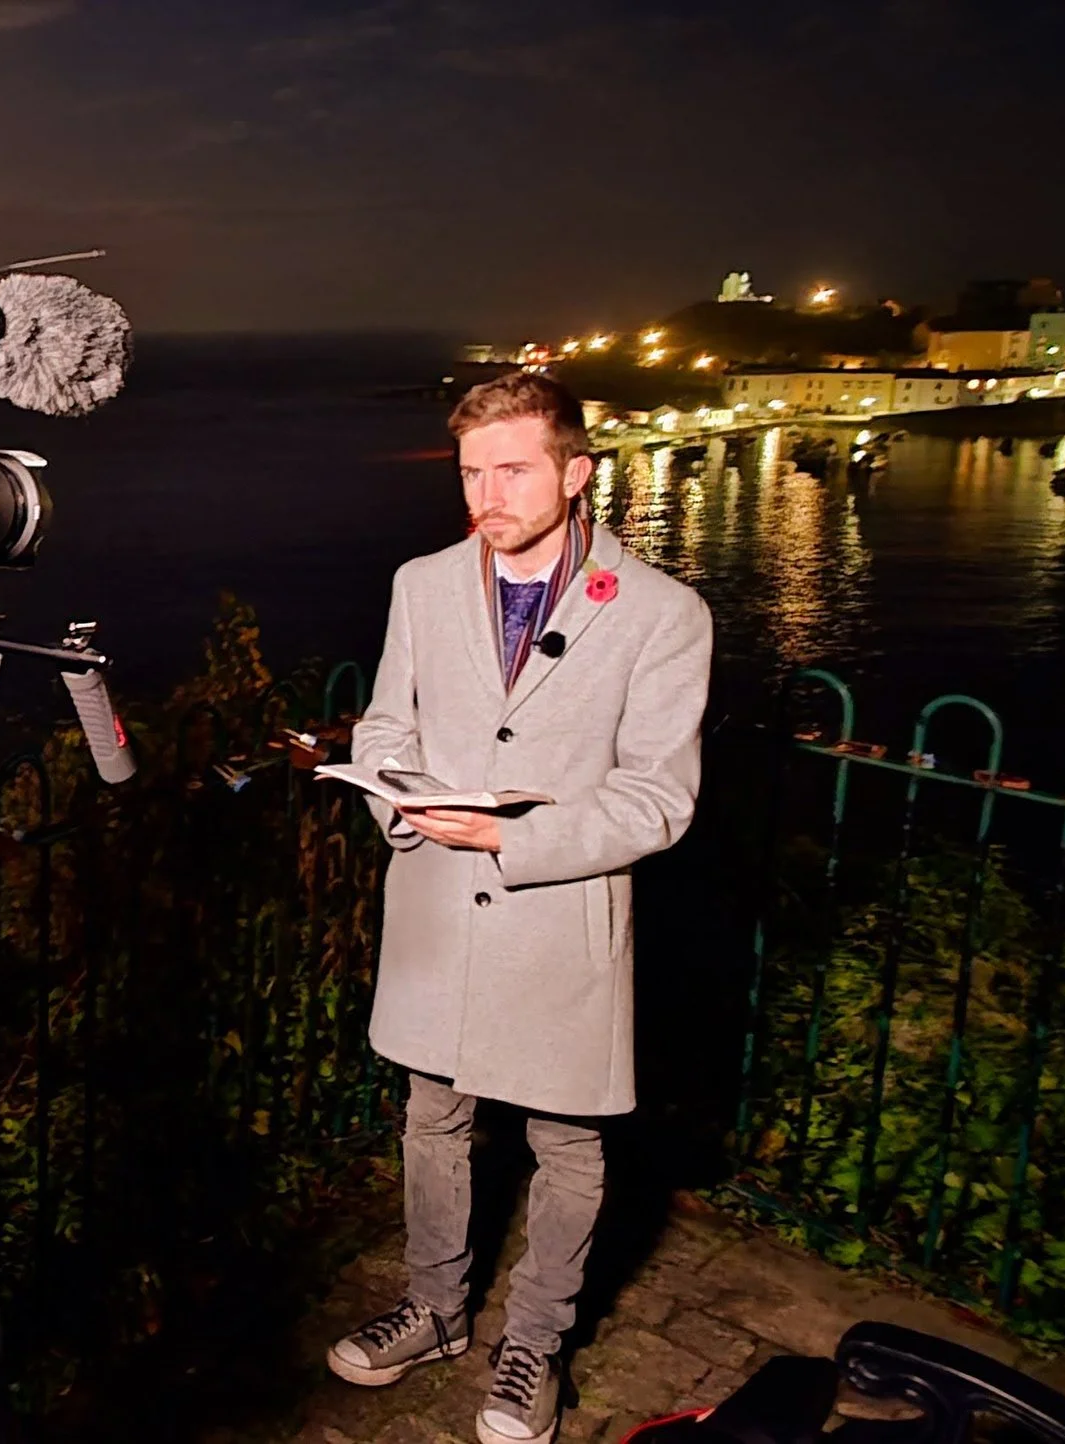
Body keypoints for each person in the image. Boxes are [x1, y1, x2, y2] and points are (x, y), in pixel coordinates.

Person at [328, 372, 712, 1444]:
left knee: (568, 1146)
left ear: (575, 472)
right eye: (470, 472)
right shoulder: (422, 582)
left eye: (511, 469)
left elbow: (658, 797)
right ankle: (437, 1311)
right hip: (436, 911)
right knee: (431, 1120)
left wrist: (512, 834)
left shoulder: (664, 615)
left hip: (559, 920)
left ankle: (533, 1341)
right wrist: (397, 796)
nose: (486, 495)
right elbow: (382, 726)